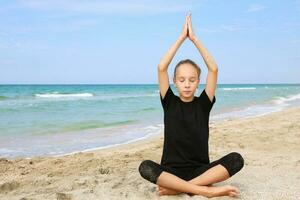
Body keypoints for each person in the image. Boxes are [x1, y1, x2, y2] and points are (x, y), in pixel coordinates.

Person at [138, 13, 244, 198]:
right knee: (145, 167)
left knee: (236, 159)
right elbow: (161, 67)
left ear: (198, 82)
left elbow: (214, 68)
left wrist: (194, 39)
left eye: (192, 80)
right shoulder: (169, 102)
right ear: (175, 82)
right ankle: (203, 190)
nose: (187, 84)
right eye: (182, 79)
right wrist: (181, 38)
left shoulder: (203, 104)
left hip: (201, 171)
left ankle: (181, 188)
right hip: (171, 171)